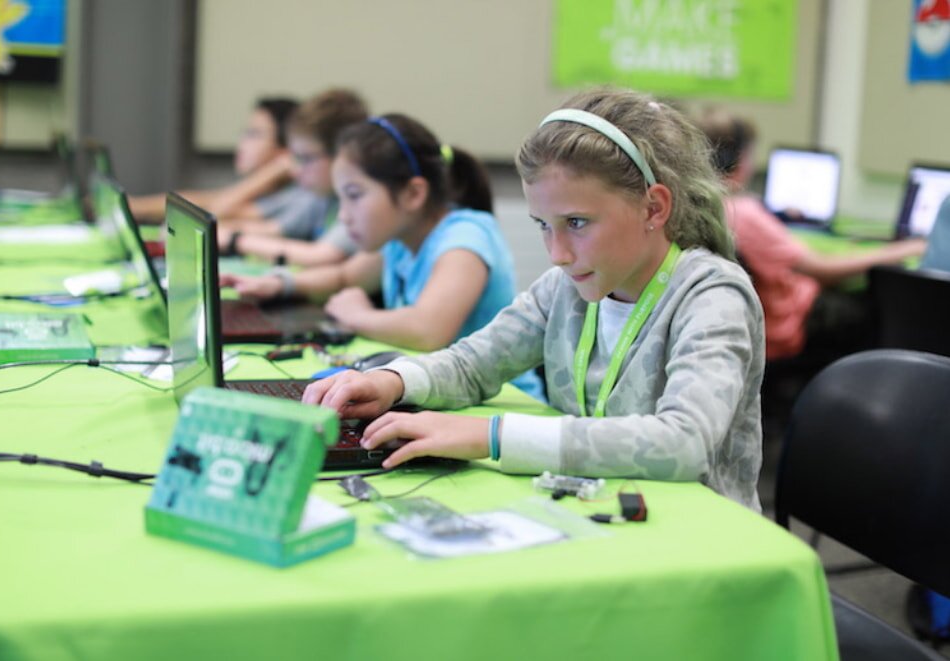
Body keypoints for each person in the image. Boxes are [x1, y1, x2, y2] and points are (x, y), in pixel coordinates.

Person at [300, 89, 767, 511]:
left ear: (653, 207)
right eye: (543, 225)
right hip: (602, 511)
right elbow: (472, 364)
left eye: (578, 223)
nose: (557, 254)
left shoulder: (711, 295)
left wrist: (491, 435)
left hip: (699, 535)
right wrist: (392, 381)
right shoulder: (567, 286)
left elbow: (684, 443)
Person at [221, 113, 544, 399]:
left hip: (506, 401)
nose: (344, 217)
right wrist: (280, 285)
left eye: (355, 197)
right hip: (444, 392)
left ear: (413, 194)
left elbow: (428, 330)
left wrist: (357, 315)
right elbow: (343, 277)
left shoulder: (466, 237)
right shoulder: (399, 237)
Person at [696, 109, 927, 363]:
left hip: (755, 325)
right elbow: (824, 269)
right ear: (737, 159)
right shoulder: (745, 212)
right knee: (876, 309)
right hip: (789, 325)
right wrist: (903, 250)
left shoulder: (705, 206)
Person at [217, 89, 368, 267]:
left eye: (306, 159)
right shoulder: (320, 197)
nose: (296, 170)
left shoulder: (358, 202)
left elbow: (320, 255)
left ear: (341, 156)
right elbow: (272, 229)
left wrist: (235, 240)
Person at [129, 97, 301, 223]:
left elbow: (215, 210)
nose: (241, 144)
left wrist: (276, 168)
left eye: (253, 134)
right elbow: (203, 200)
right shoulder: (265, 192)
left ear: (286, 149)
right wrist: (135, 206)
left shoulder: (293, 196)